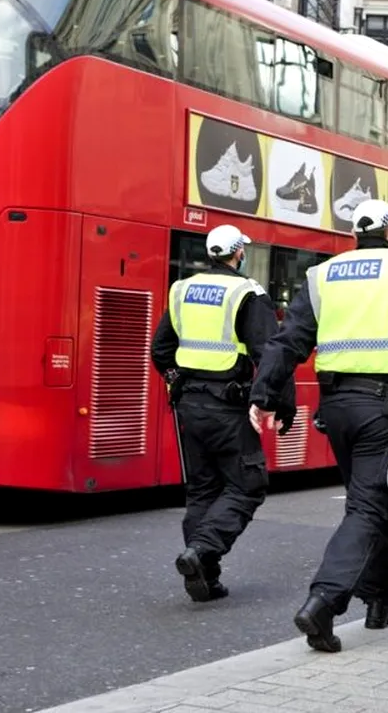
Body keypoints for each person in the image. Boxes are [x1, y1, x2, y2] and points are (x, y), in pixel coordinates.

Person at [247, 199, 388, 653]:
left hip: (336, 408)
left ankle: (379, 601)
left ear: (354, 235)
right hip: (384, 408)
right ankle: (324, 601)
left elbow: (289, 339)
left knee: (369, 502)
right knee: (367, 508)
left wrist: (264, 394)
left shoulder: (323, 274)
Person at [150, 224, 293, 603]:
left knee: (202, 491)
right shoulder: (247, 293)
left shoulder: (181, 289)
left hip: (189, 405)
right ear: (238, 254)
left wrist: (177, 380)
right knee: (248, 486)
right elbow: (271, 354)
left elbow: (161, 350)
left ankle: (204, 578)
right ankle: (201, 551)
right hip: (228, 407)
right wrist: (282, 403)